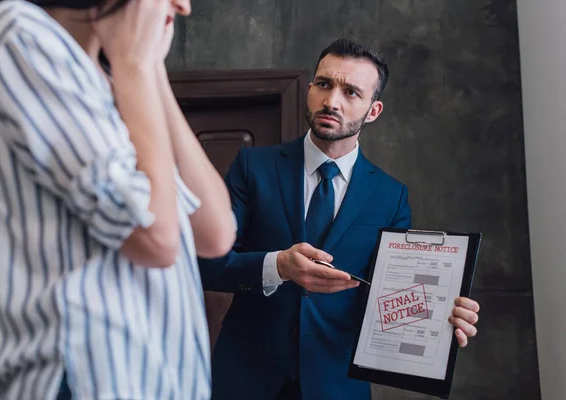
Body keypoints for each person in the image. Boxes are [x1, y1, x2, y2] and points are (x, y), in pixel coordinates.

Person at [0, 0, 236, 399]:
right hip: (80, 381)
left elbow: (216, 233)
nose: (183, 6)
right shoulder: (20, 33)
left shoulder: (120, 88)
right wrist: (135, 66)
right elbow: (156, 239)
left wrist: (150, 71)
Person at [198, 38, 481, 400]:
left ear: (373, 110)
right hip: (243, 378)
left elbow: (388, 297)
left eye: (351, 92)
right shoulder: (253, 168)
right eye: (324, 84)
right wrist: (278, 266)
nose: (332, 101)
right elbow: (209, 263)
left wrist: (441, 315)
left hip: (336, 383)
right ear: (310, 89)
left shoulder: (391, 197)